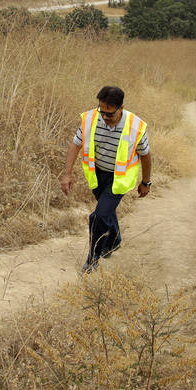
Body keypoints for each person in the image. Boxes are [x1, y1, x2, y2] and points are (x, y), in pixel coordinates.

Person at [59, 85, 152, 273]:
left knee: (98, 216)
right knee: (105, 211)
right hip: (97, 175)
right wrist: (67, 174)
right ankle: (115, 240)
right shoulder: (91, 119)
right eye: (102, 111)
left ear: (121, 108)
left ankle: (93, 258)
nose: (105, 117)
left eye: (110, 114)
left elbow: (146, 155)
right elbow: (76, 144)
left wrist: (146, 182)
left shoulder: (135, 126)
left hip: (120, 179)